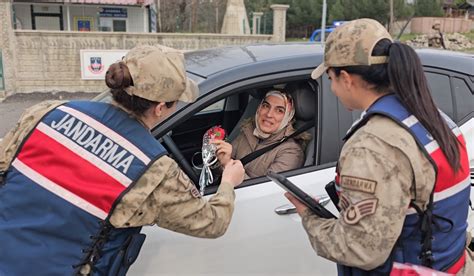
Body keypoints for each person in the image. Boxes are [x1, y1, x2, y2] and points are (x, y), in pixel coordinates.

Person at [0, 45, 245, 275]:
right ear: (160, 108)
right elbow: (212, 222)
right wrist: (228, 182)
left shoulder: (48, 112)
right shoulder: (154, 171)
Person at [285, 18, 472, 275]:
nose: (333, 89)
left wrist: (309, 217)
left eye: (330, 78)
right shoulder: (436, 118)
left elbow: (361, 250)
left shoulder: (371, 146)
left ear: (347, 78)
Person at [213, 89, 309, 179]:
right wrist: (217, 157)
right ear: (259, 108)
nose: (269, 114)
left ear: (288, 118)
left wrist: (227, 164)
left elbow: (265, 191)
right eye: (266, 106)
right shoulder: (248, 130)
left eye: (279, 110)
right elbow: (221, 164)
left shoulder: (291, 151)